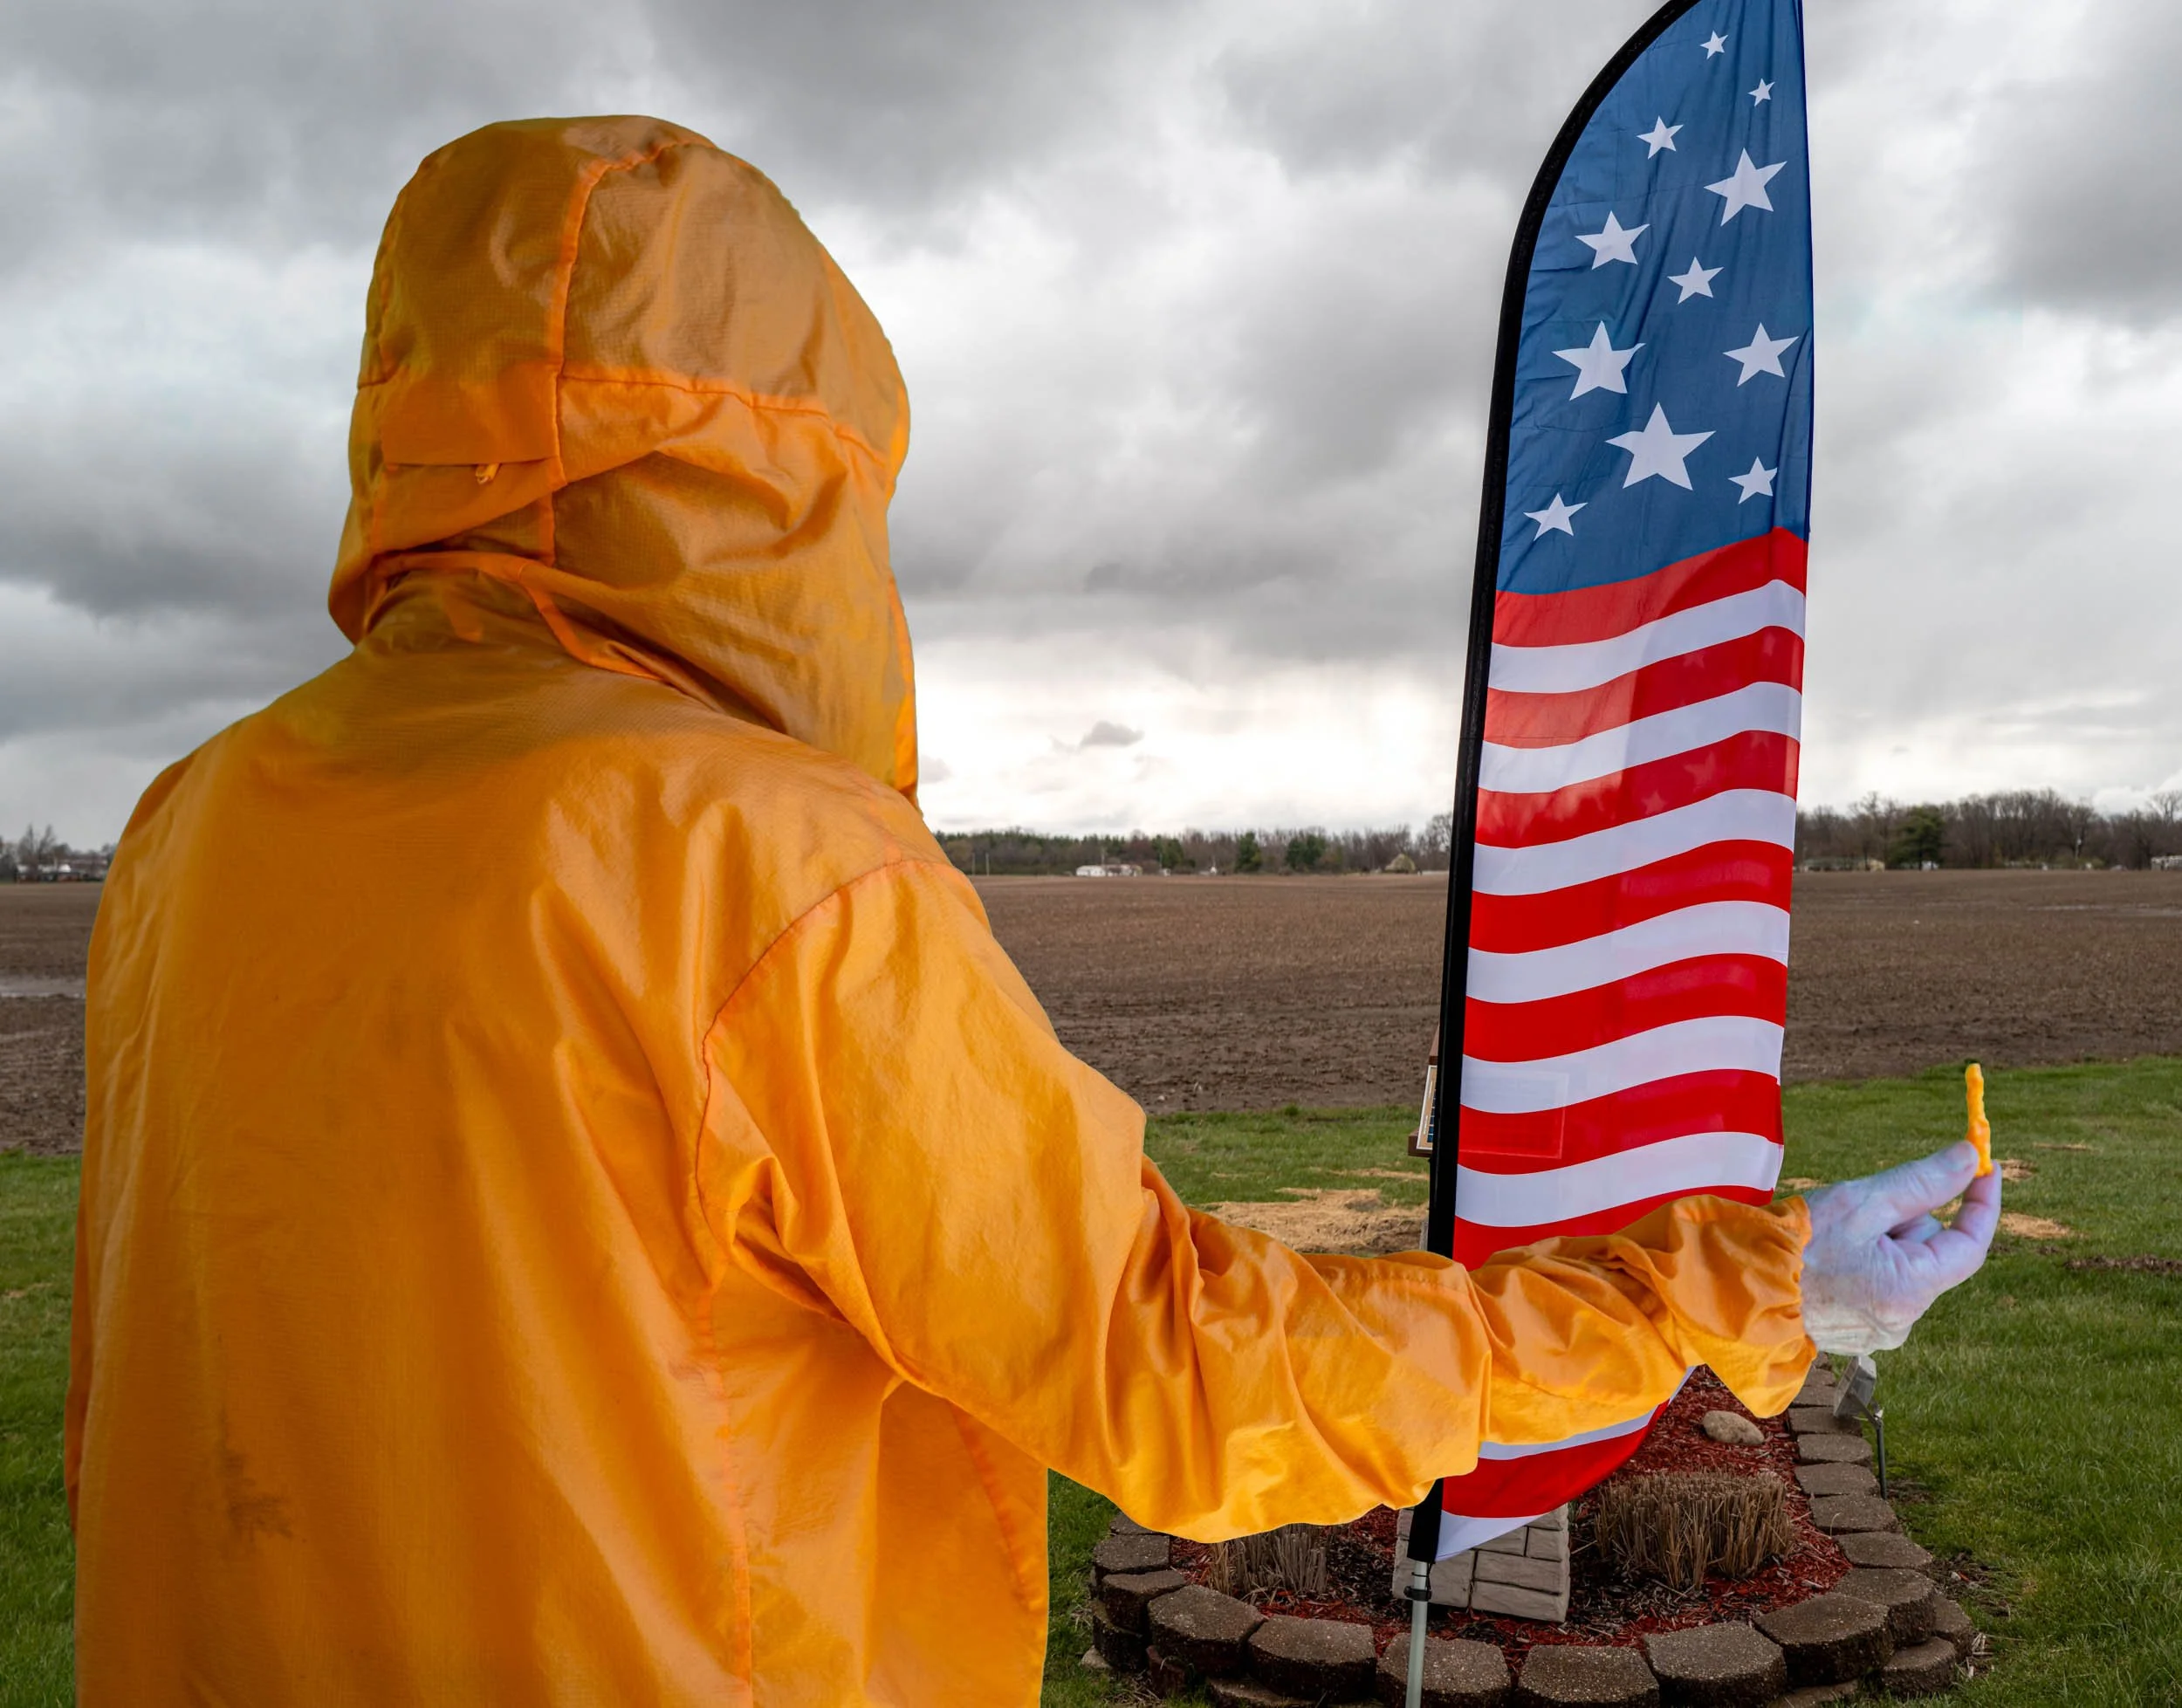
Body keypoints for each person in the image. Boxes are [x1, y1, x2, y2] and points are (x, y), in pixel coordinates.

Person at [66, 117, 1998, 1705]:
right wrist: (1736, 1284)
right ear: (796, 478)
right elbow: (1172, 1363)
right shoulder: (760, 860)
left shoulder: (194, 824)